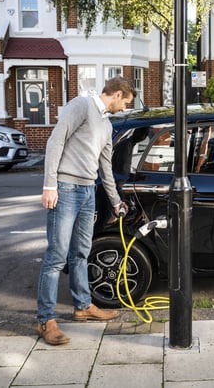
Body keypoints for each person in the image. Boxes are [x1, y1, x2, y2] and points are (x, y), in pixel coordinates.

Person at [37, 77, 134, 345]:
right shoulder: (80, 106)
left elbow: (106, 166)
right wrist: (49, 185)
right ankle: (45, 319)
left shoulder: (106, 123)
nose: (125, 108)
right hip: (65, 189)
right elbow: (55, 141)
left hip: (88, 191)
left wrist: (115, 201)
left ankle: (83, 306)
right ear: (116, 94)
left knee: (81, 252)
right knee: (56, 257)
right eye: (125, 102)